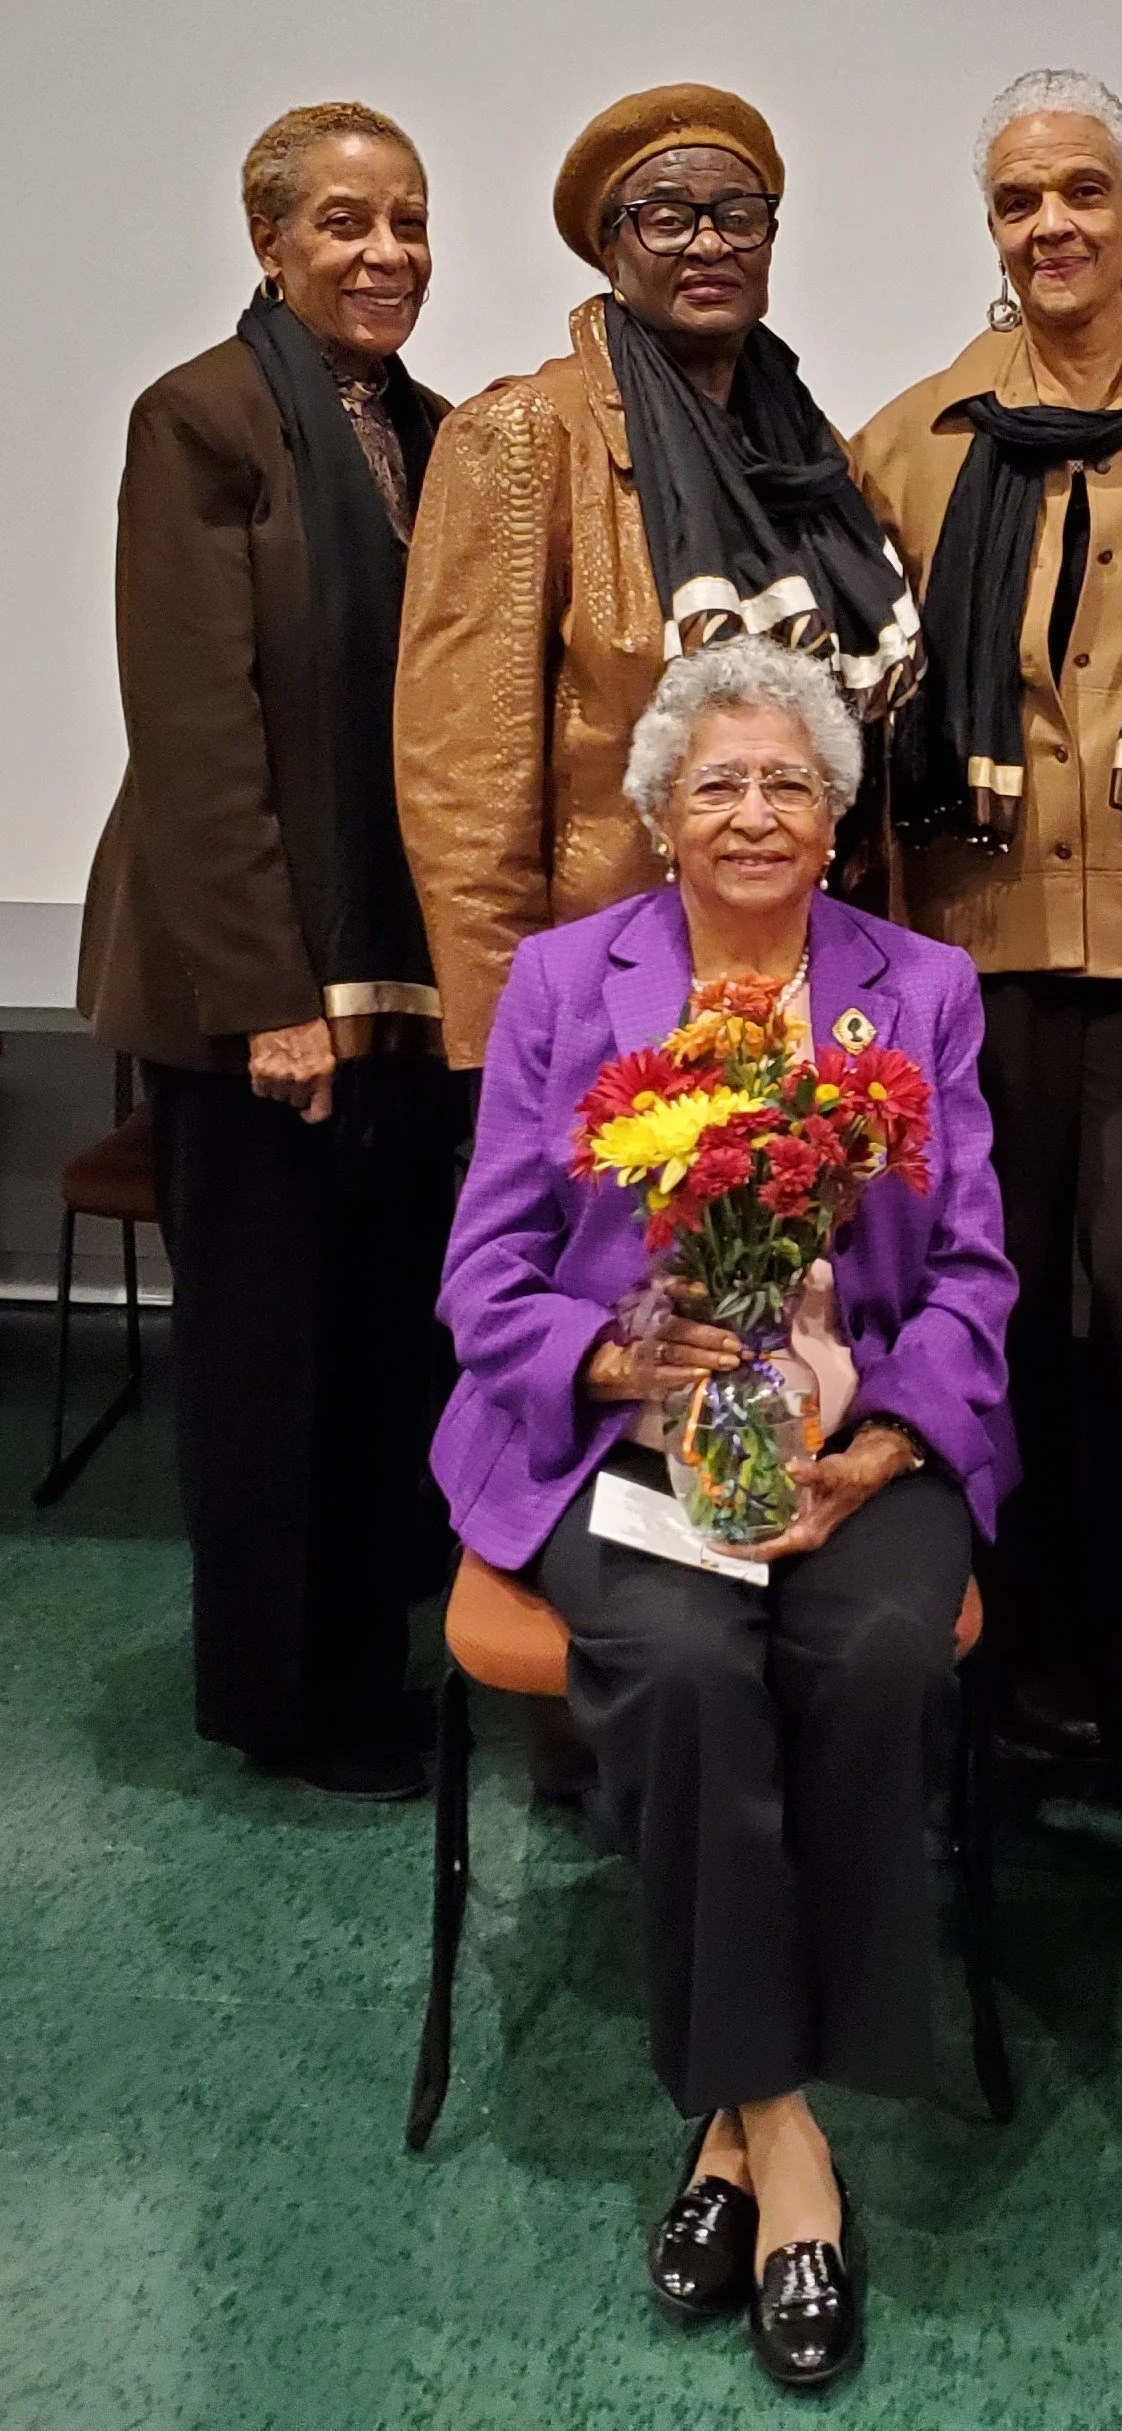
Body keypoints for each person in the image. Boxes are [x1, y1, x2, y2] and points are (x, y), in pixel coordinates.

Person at [434, 636, 1015, 2390]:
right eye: (717, 784)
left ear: (836, 818)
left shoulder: (917, 986)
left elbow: (974, 1271)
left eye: (788, 784)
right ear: (660, 817)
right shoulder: (560, 981)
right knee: (686, 1668)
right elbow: (486, 1275)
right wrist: (621, 1367)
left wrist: (879, 1440)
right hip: (614, 1441)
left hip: (853, 1433)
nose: (753, 813)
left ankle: (722, 2126)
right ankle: (780, 2133)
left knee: (884, 1650)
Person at [855, 69, 1122, 1753]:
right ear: (992, 226)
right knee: (1003, 1298)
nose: (1055, 226)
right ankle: (1001, 1653)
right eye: (1023, 200)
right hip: (973, 959)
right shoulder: (907, 442)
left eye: (1085, 192)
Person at [77, 102, 466, 1799]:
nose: (384, 255)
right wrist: (267, 1002)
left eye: (408, 223)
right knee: (268, 1363)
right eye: (343, 226)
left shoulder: (437, 433)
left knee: (384, 1340)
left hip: (392, 985)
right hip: (248, 981)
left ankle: (367, 1658)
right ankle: (280, 1702)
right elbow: (197, 730)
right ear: (270, 245)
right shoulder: (204, 421)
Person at [395, 84, 918, 1070]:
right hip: (610, 1000)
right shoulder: (521, 439)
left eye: (738, 215)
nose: (709, 244)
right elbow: (465, 792)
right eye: (667, 217)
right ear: (610, 247)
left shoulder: (821, 460)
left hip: (813, 991)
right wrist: (508, 1047)